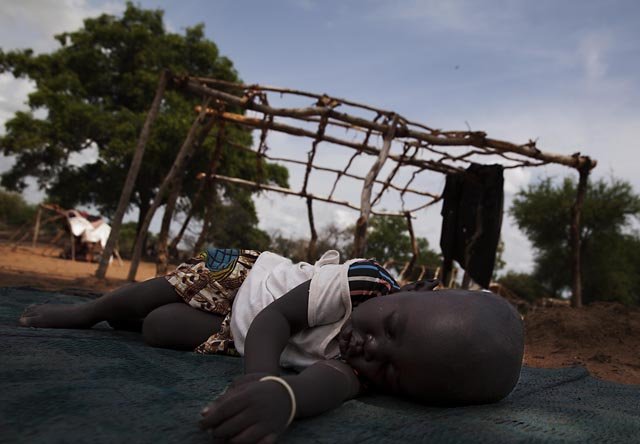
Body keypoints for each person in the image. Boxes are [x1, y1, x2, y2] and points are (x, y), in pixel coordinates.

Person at [19, 248, 524, 443]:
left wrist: (286, 400)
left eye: (390, 371)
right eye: (389, 329)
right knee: (157, 290)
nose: (369, 350)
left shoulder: (363, 369)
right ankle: (89, 311)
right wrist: (260, 377)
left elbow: (327, 383)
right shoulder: (363, 283)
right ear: (410, 293)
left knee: (157, 328)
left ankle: (122, 317)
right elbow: (272, 319)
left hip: (236, 335)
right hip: (246, 284)